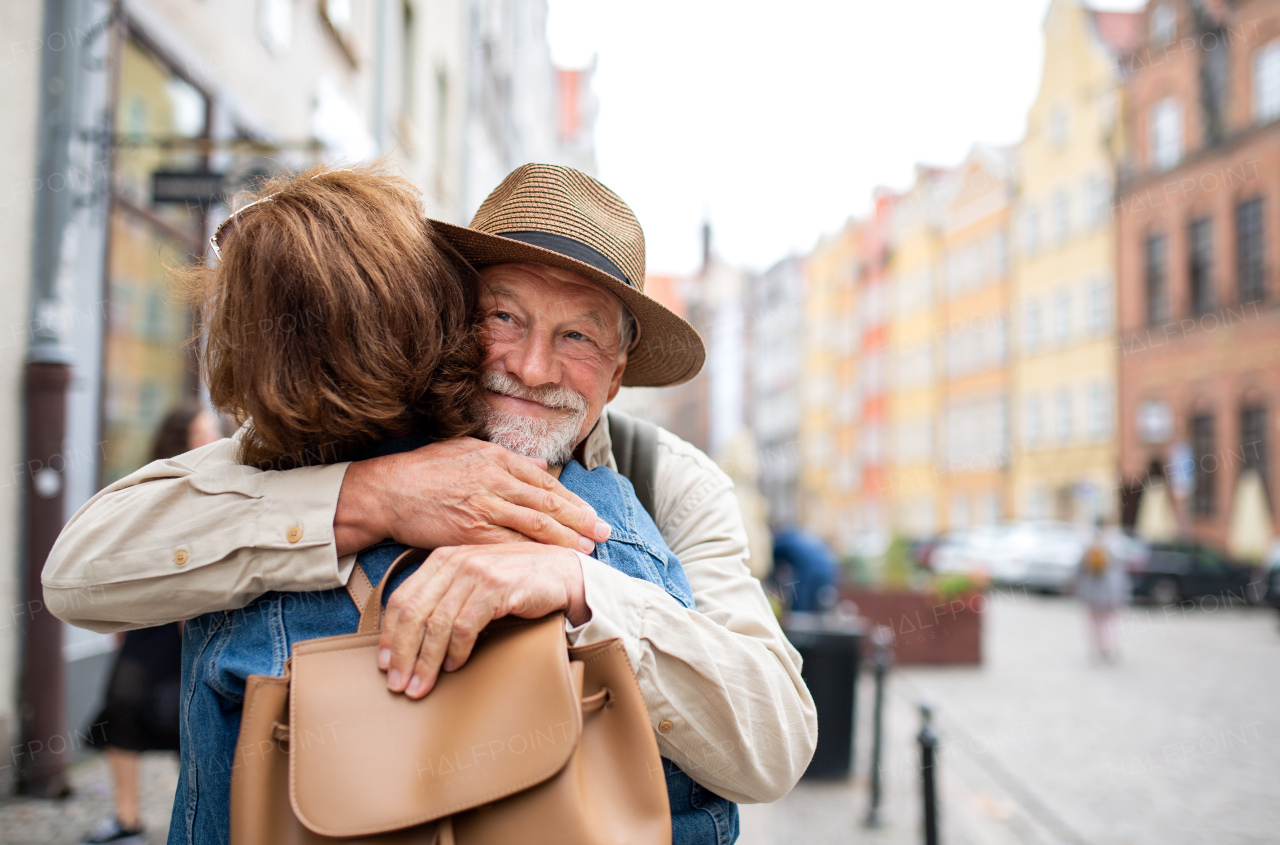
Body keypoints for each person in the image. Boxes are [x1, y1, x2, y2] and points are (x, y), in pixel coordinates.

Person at [44, 164, 818, 832]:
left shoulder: (667, 480)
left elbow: (775, 743)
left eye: (578, 337)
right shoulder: (335, 432)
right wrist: (367, 497)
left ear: (617, 376)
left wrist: (582, 587)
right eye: (503, 316)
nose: (533, 365)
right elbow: (80, 573)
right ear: (451, 316)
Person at [81, 400, 222, 845]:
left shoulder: (220, 482)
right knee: (123, 707)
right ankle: (127, 821)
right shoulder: (154, 486)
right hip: (153, 618)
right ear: (181, 440)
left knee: (195, 719)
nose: (215, 439)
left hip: (194, 617)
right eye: (205, 432)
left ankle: (201, 822)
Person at [1076, 522, 1130, 662]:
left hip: (1092, 595)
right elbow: (1122, 574)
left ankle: (1099, 647)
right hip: (1112, 594)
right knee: (1112, 621)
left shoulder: (1089, 550)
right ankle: (1110, 645)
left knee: (1095, 623)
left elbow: (1078, 572)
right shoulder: (1115, 549)